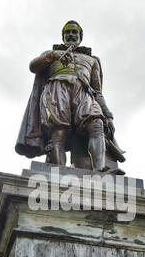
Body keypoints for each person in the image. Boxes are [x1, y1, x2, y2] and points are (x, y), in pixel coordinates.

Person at [15, 20, 125, 172]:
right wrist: (53, 55)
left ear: (80, 36)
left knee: (97, 124)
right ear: (63, 36)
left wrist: (108, 115)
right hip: (56, 89)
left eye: (74, 32)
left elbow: (98, 92)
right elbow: (33, 66)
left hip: (84, 92)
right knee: (58, 133)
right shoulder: (51, 54)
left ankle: (100, 169)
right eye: (68, 32)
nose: (71, 35)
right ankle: (59, 172)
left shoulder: (93, 60)